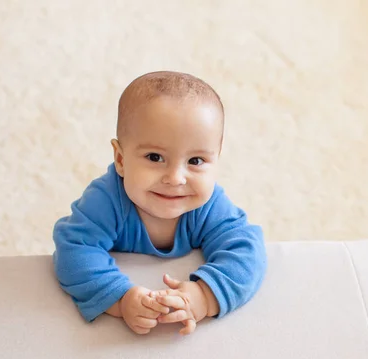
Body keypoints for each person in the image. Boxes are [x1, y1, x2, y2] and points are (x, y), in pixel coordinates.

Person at [52, 71, 267, 335]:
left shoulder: (208, 206)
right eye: (155, 157)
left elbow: (247, 251)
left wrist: (203, 296)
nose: (176, 178)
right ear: (120, 160)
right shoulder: (106, 200)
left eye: (196, 161)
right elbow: (73, 250)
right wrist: (121, 299)